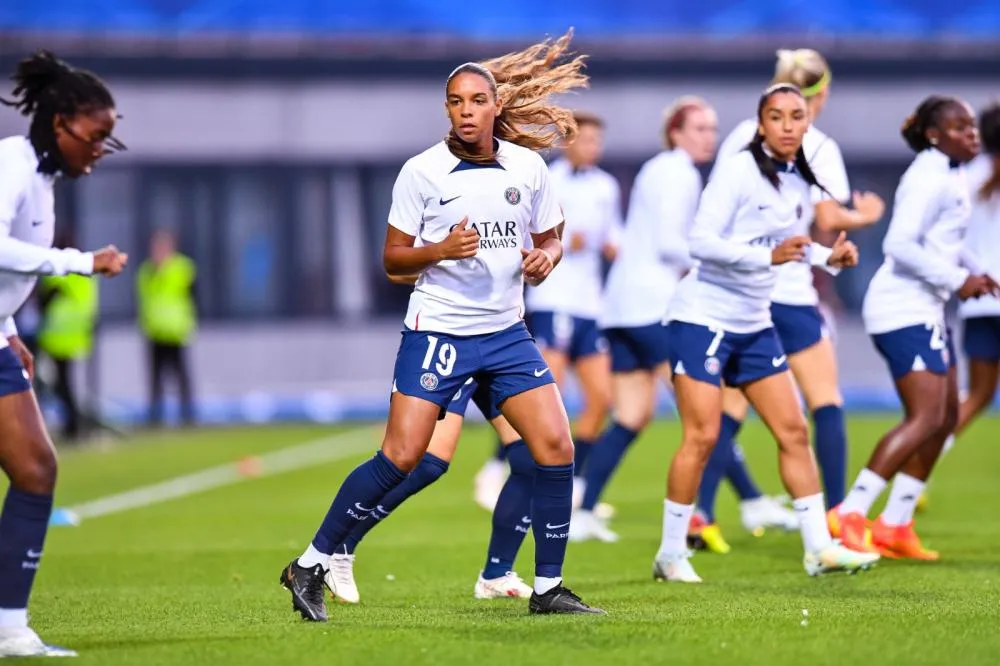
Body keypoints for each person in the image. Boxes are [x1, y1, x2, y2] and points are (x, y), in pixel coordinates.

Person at [279, 30, 604, 620]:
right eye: (456, 102)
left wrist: (546, 258)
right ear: (448, 109)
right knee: (405, 456)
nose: (466, 111)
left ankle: (547, 587)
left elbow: (551, 235)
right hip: (440, 334)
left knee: (555, 448)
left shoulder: (528, 167)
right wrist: (440, 249)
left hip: (506, 335)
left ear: (496, 106)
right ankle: (311, 562)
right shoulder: (423, 173)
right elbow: (392, 259)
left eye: (477, 101)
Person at [653, 83, 879, 583]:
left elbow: (787, 244)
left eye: (796, 116)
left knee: (794, 431)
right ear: (762, 125)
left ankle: (819, 548)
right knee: (703, 435)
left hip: (754, 323)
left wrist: (829, 258)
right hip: (703, 318)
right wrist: (766, 257)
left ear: (807, 123)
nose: (788, 125)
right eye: (776, 117)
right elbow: (700, 242)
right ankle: (671, 554)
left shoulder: (801, 177)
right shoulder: (737, 171)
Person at [0, 50, 128, 657]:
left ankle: (9, 627)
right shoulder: (10, 163)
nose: (100, 149)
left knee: (36, 470)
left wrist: (9, 330)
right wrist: (82, 263)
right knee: (35, 468)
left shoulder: (44, 180)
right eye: (96, 135)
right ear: (60, 124)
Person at [833, 95, 991, 559]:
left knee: (943, 419)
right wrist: (959, 280)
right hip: (901, 308)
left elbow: (941, 244)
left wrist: (975, 271)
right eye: (960, 127)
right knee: (924, 418)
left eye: (973, 126)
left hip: (928, 308)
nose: (972, 134)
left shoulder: (952, 173)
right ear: (934, 135)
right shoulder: (926, 176)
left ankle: (895, 525)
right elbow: (900, 245)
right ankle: (849, 513)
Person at [567, 96, 717, 543]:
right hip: (654, 307)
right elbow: (673, 245)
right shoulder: (681, 172)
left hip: (620, 308)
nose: (709, 137)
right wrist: (727, 261)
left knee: (632, 415)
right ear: (675, 132)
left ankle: (584, 509)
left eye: (711, 129)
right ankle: (726, 508)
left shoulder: (656, 169)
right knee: (708, 415)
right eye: (700, 129)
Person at [325, 375, 536, 604]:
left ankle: (496, 575)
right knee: (429, 463)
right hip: (461, 348)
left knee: (530, 456)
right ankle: (340, 547)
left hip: (500, 348)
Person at [37, 230, 99, 442]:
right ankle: (73, 423)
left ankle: (72, 423)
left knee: (59, 383)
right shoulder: (85, 274)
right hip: (77, 335)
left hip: (57, 337)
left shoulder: (56, 274)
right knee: (64, 382)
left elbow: (43, 303)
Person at [137, 229, 197, 426]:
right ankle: (156, 416)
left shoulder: (183, 268)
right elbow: (144, 300)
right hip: (154, 331)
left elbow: (192, 297)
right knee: (156, 378)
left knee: (181, 376)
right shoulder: (146, 271)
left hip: (176, 330)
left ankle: (188, 415)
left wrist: (189, 324)